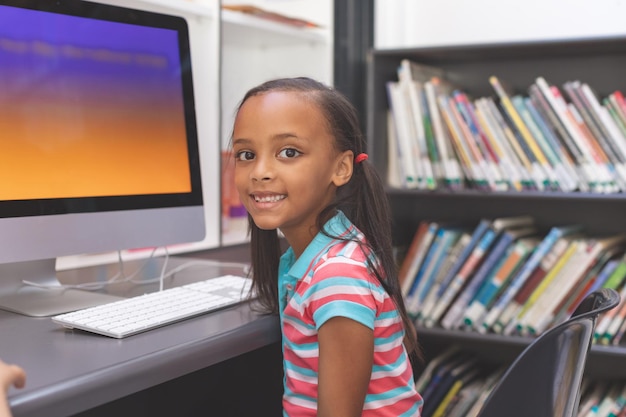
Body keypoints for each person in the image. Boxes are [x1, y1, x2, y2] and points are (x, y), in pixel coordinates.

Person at [231, 77, 423, 416]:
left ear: (341, 167)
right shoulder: (320, 252)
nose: (260, 171)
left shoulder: (337, 276)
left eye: (288, 152)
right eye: (246, 154)